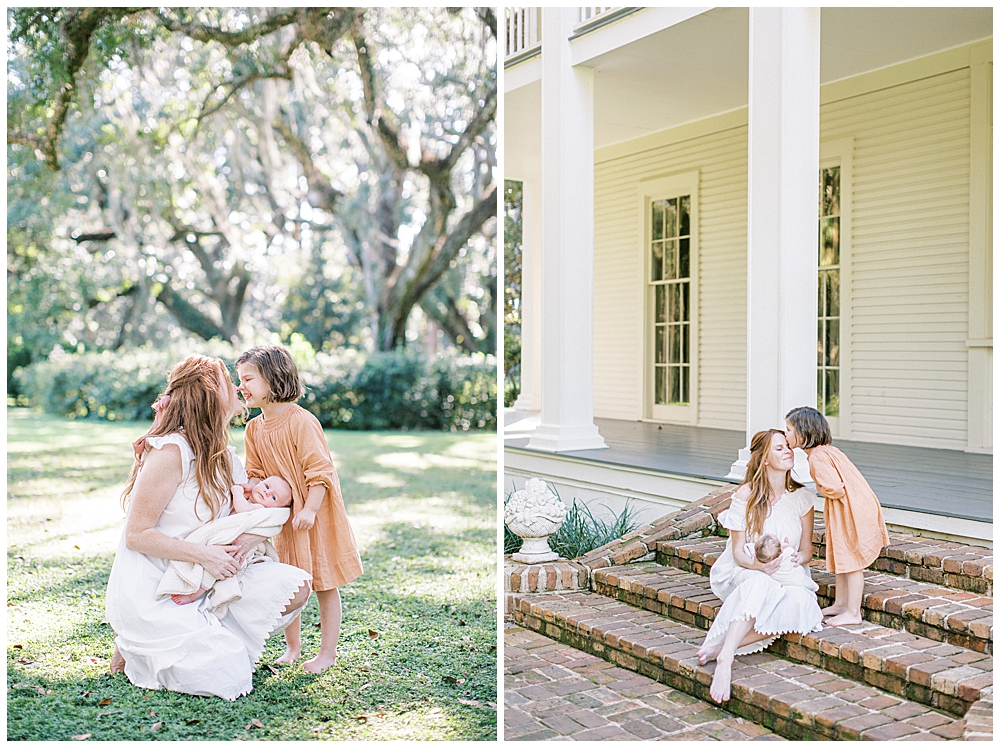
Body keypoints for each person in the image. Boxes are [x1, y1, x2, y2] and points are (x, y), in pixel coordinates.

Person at [105, 355, 313, 700]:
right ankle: (141, 645)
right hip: (159, 588)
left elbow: (249, 512)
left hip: (211, 579)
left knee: (297, 587)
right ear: (209, 397)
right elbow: (137, 534)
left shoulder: (225, 455)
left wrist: (246, 543)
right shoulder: (172, 451)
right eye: (227, 382)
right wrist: (204, 556)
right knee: (227, 676)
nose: (237, 387)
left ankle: (207, 632)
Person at [236, 345, 363, 674]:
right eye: (240, 380)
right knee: (288, 582)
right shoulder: (253, 428)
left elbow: (320, 473)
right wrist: (249, 489)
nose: (242, 386)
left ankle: (327, 654)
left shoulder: (302, 422)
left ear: (273, 378)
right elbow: (256, 473)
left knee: (323, 582)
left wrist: (308, 510)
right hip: (282, 521)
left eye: (248, 378)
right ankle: (293, 647)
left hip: (313, 517)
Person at [697, 429, 824, 703]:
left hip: (788, 574)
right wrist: (758, 567)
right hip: (746, 570)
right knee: (761, 583)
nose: (787, 451)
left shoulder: (803, 497)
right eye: (779, 449)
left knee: (803, 604)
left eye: (787, 447)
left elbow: (807, 551)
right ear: (764, 458)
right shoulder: (746, 494)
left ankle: (720, 647)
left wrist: (797, 559)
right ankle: (726, 660)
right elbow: (738, 552)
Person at [785, 405, 890, 626]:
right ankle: (841, 604)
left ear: (802, 433)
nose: (785, 435)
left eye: (788, 430)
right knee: (844, 556)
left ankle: (853, 612)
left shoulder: (816, 458)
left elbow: (834, 488)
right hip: (853, 506)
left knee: (851, 560)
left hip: (850, 509)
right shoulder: (828, 451)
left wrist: (818, 489)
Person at [164, 476, 294, 607]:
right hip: (227, 537)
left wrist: (237, 492)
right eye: (266, 486)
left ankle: (196, 592)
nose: (266, 492)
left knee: (218, 567)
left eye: (273, 497)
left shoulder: (259, 508)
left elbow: (242, 509)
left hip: (233, 544)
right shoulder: (250, 499)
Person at [749, 534, 818, 591]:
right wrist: (788, 547)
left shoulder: (762, 561)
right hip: (797, 581)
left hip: (778, 586)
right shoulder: (788, 553)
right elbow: (791, 552)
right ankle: (812, 586)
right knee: (802, 581)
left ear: (755, 556)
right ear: (782, 549)